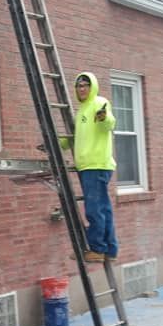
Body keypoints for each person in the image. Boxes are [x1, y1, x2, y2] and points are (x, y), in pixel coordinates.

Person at [60, 72, 118, 263]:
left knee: (94, 209)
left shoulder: (99, 102)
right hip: (89, 166)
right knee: (103, 208)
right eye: (79, 86)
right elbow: (77, 137)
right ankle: (110, 250)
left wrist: (103, 117)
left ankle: (97, 249)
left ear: (92, 86)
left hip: (96, 164)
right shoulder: (82, 110)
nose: (82, 88)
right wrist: (58, 144)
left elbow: (108, 123)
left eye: (85, 85)